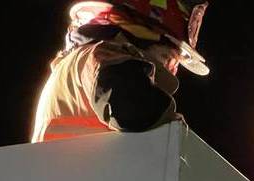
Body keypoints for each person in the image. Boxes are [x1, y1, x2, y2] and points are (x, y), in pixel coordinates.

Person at [31, 0, 209, 143]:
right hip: (81, 176)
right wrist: (178, 134)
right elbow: (131, 106)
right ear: (144, 35)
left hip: (77, 174)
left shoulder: (77, 63)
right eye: (167, 56)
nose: (171, 68)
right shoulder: (100, 56)